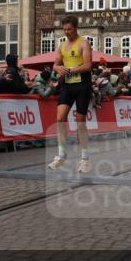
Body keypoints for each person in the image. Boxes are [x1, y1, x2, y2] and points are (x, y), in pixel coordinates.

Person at [49, 15, 92, 173]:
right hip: (67, 85)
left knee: (80, 122)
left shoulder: (84, 43)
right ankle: (61, 154)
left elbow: (87, 65)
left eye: (69, 29)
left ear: (75, 28)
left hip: (82, 85)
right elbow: (56, 63)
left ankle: (85, 158)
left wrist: (68, 70)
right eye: (64, 29)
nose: (67, 32)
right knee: (60, 118)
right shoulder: (62, 46)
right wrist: (57, 68)